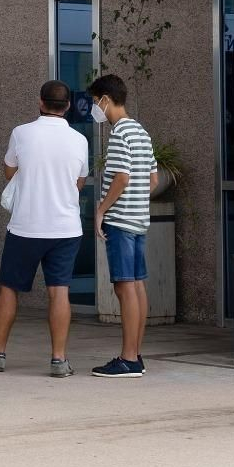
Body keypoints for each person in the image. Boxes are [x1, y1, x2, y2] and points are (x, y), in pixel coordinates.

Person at [0, 80, 89, 377]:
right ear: (67, 106)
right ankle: (59, 360)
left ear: (41, 102)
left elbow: (9, 170)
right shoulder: (79, 140)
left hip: (26, 226)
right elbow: (80, 182)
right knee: (59, 291)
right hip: (66, 228)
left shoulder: (21, 133)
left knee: (9, 289)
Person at [86, 74, 157, 378]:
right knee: (136, 285)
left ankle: (128, 358)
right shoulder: (141, 131)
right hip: (139, 219)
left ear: (105, 99)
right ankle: (135, 354)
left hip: (120, 220)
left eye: (94, 102)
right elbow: (152, 179)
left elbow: (122, 177)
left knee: (124, 286)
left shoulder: (119, 134)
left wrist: (101, 210)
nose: (94, 109)